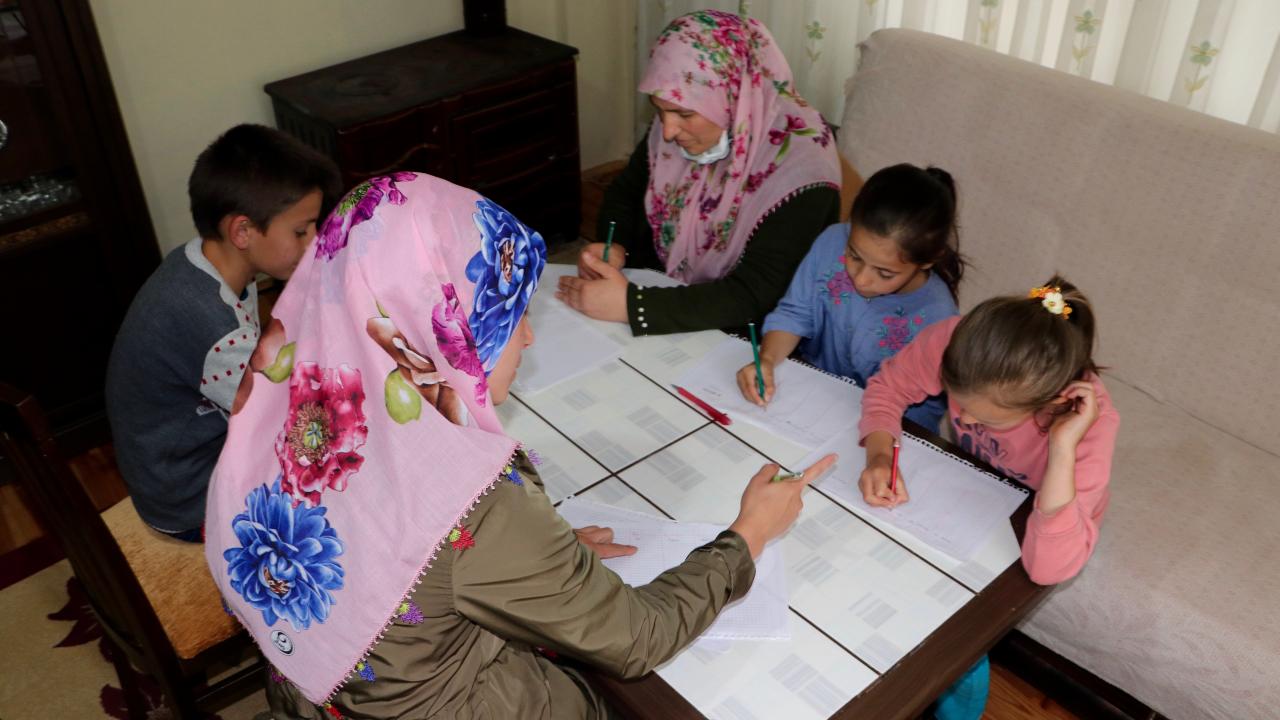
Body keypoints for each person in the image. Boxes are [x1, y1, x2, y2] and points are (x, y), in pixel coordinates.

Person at [204, 172, 835, 719]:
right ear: (442, 333)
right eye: (508, 319)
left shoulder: (282, 404)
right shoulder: (475, 499)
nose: (528, 338)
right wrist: (749, 534)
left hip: (307, 695)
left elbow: (378, 543)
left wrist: (528, 563)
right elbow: (636, 638)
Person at [856, 276, 1120, 719]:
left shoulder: (1089, 428)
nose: (964, 416)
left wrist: (1062, 448)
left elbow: (1049, 567)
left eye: (983, 418)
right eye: (960, 405)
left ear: (1050, 401)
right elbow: (890, 388)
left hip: (1045, 524)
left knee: (957, 636)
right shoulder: (960, 341)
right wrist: (880, 454)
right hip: (970, 488)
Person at [105, 124, 340, 541]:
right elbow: (284, 420)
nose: (314, 241)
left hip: (186, 455)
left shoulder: (203, 263)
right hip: (190, 498)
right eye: (301, 230)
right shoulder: (215, 328)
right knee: (341, 478)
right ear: (242, 232)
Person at [557, 9, 841, 335]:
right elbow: (627, 192)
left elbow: (756, 294)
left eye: (683, 114)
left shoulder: (801, 169)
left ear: (734, 99)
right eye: (660, 111)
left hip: (749, 336)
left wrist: (633, 307)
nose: (667, 131)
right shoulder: (685, 121)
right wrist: (616, 246)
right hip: (667, 298)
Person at [736, 163, 963, 431]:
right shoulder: (831, 241)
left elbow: (923, 415)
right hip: (805, 400)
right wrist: (767, 360)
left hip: (873, 430)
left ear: (927, 261)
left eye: (884, 273)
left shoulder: (939, 318)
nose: (861, 279)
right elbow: (794, 315)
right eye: (853, 256)